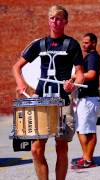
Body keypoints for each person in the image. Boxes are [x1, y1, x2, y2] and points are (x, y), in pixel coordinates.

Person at [12, 5, 84, 180]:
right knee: (36, 149)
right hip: (42, 99)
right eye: (52, 18)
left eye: (59, 18)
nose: (55, 21)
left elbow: (80, 74)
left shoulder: (71, 44)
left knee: (61, 148)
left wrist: (73, 85)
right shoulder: (40, 44)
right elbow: (16, 66)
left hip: (62, 100)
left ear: (65, 21)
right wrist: (20, 82)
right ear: (48, 20)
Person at [72, 33, 100, 168]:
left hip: (90, 99)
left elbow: (91, 74)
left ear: (94, 43)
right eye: (83, 42)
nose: (83, 45)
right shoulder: (89, 57)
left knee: (88, 131)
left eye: (86, 42)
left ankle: (88, 160)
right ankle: (86, 157)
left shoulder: (93, 57)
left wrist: (74, 76)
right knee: (82, 129)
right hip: (85, 99)